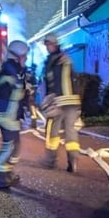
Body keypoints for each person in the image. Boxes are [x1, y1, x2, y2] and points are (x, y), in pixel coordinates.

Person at [0, 40, 29, 189]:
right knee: (9, 147)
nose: (25, 59)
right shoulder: (10, 71)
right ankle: (0, 179)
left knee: (15, 147)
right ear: (17, 56)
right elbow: (9, 93)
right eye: (24, 56)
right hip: (7, 116)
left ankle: (6, 173)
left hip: (8, 115)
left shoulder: (13, 69)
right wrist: (22, 90)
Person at [41, 33, 82, 173]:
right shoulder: (66, 59)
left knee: (52, 131)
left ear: (55, 44)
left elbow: (56, 83)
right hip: (72, 102)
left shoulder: (54, 62)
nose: (48, 48)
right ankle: (73, 162)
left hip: (59, 101)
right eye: (47, 45)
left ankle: (51, 160)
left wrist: (51, 99)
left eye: (49, 45)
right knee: (71, 132)